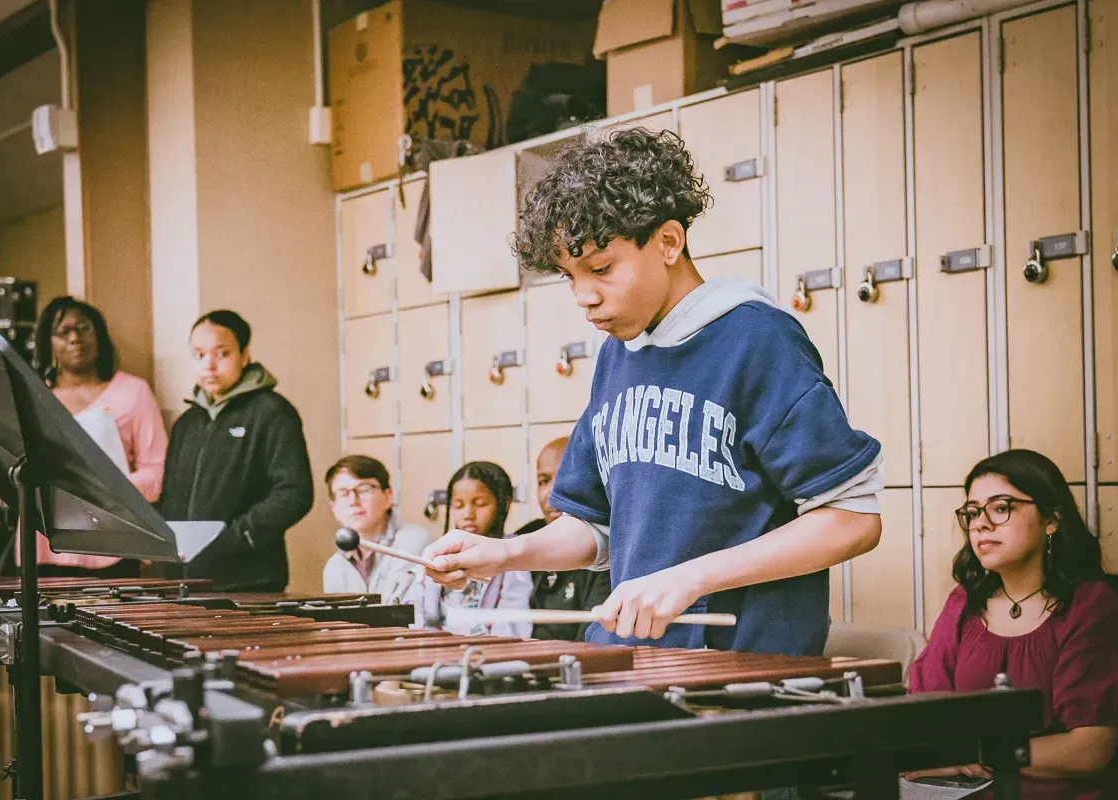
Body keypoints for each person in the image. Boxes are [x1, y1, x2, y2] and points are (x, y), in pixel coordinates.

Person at [422, 128, 883, 656]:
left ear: (668, 241)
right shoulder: (618, 352)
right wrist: (503, 553)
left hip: (737, 669)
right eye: (570, 276)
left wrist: (687, 579)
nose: (583, 296)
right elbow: (594, 529)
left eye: (600, 269)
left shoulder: (757, 341)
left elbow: (851, 519)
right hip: (630, 657)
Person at [906, 450, 1117, 798]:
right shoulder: (964, 602)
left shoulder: (1090, 604)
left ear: (1051, 519)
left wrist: (971, 754)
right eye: (972, 512)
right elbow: (928, 717)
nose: (980, 524)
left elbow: (1091, 749)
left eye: (1001, 507)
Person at [157, 310, 314, 592]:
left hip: (248, 579)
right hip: (182, 579)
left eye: (222, 354)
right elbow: (170, 495)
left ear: (244, 355)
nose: (209, 365)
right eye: (198, 355)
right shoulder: (187, 423)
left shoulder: (272, 412)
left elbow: (294, 492)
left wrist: (236, 537)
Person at [22, 297, 167, 578]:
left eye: (84, 327)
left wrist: (104, 489)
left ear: (99, 335)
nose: (75, 338)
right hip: (44, 543)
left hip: (114, 543)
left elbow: (156, 473)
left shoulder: (134, 391)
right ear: (47, 342)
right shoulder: (32, 397)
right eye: (63, 331)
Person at [414, 462, 532, 638]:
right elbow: (420, 613)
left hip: (487, 655)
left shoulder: (512, 555)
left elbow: (513, 626)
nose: (468, 514)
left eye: (480, 503)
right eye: (458, 505)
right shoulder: (441, 552)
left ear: (503, 504)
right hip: (439, 650)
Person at [514, 437, 612, 641]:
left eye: (564, 477)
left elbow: (589, 643)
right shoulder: (525, 536)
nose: (551, 493)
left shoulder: (609, 546)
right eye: (543, 481)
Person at [321, 454, 431, 601]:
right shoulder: (334, 567)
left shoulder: (413, 542)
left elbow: (402, 611)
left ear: (388, 496)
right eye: (343, 494)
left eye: (363, 489)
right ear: (333, 508)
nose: (353, 501)